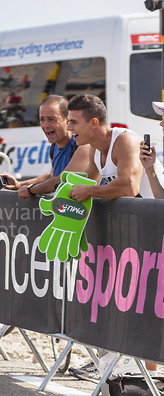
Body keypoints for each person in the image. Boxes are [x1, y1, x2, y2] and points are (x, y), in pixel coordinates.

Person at [65, 93, 158, 380]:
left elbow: (129, 186)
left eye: (73, 122)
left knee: (143, 304)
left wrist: (88, 192)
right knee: (115, 302)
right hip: (125, 237)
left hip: (150, 233)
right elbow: (87, 181)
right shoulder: (94, 147)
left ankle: (147, 374)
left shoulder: (125, 140)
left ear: (94, 122)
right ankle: (114, 363)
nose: (69, 129)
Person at [0, 95, 90, 197]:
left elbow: (62, 180)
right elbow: (51, 177)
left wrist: (30, 190)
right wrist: (19, 184)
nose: (45, 125)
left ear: (67, 120)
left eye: (51, 119)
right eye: (42, 120)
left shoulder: (82, 146)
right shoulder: (53, 148)